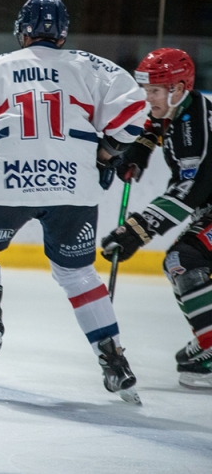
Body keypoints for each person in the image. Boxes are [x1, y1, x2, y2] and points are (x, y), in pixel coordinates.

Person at [0, 0, 148, 403]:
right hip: (75, 186)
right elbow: (136, 110)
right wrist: (108, 150)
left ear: (21, 30)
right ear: (62, 34)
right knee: (78, 275)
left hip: (8, 179)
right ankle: (114, 362)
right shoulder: (90, 64)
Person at [101, 48, 212, 390]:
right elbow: (156, 123)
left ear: (178, 88)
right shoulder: (181, 108)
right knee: (186, 261)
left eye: (154, 92)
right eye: (145, 90)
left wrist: (136, 231)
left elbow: (189, 190)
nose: (147, 98)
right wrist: (140, 149)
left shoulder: (193, 127)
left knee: (184, 260)